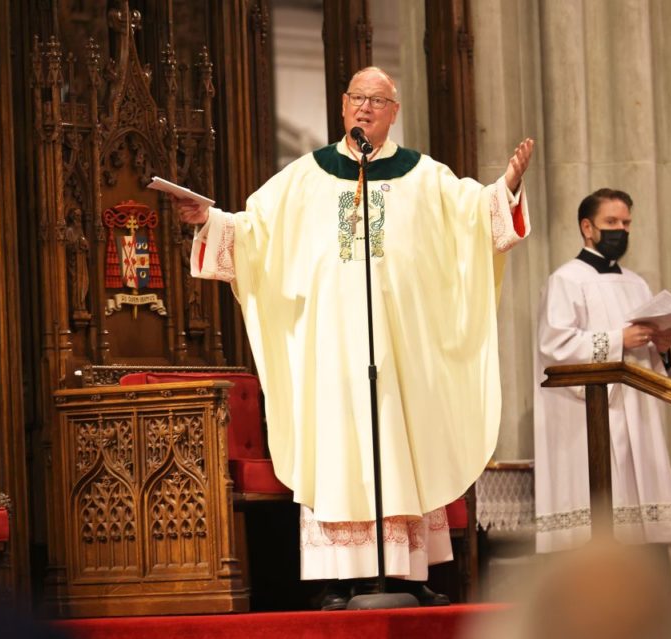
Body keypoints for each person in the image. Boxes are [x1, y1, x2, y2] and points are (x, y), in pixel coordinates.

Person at [177, 66, 535, 609]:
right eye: (357, 98)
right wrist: (210, 219)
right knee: (341, 444)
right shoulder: (305, 176)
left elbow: (474, 217)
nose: (366, 107)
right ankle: (341, 579)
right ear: (343, 107)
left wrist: (506, 188)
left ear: (394, 112)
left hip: (399, 349)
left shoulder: (423, 175)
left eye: (378, 100)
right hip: (333, 349)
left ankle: (408, 573)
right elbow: (253, 231)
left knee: (398, 439)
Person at [533, 188, 671, 554]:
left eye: (627, 223)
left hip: (637, 411)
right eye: (612, 222)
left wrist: (662, 349)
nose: (621, 230)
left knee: (642, 537)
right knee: (603, 522)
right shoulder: (566, 280)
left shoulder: (637, 283)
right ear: (588, 227)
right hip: (593, 417)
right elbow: (555, 347)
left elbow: (645, 348)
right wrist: (618, 339)